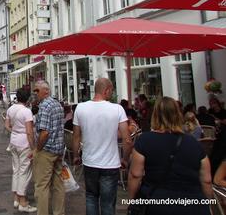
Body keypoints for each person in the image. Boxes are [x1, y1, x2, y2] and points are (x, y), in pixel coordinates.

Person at [128, 96, 213, 215]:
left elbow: (136, 174)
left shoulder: (145, 141)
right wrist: (208, 204)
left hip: (157, 203)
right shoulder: (193, 143)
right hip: (192, 203)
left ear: (155, 115)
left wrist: (132, 202)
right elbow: (206, 180)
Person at [73, 77, 131, 215]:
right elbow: (127, 139)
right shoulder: (117, 109)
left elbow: (76, 136)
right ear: (107, 90)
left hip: (90, 162)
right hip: (110, 164)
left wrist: (76, 156)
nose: (112, 93)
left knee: (91, 197)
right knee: (107, 202)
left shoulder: (80, 108)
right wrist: (125, 159)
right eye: (111, 90)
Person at [32, 81, 65, 215]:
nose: (35, 93)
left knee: (42, 186)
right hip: (58, 150)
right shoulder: (57, 104)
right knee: (58, 184)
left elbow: (44, 132)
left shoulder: (45, 106)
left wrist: (37, 149)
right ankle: (59, 212)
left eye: (37, 91)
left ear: (45, 91)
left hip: (47, 150)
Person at [5, 88, 37, 213]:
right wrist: (33, 148)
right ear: (28, 98)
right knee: (24, 171)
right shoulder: (26, 112)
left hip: (13, 142)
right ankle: (23, 202)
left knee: (16, 170)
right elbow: (29, 132)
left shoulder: (11, 109)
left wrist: (15, 131)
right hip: (24, 143)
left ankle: (16, 198)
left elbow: (6, 125)